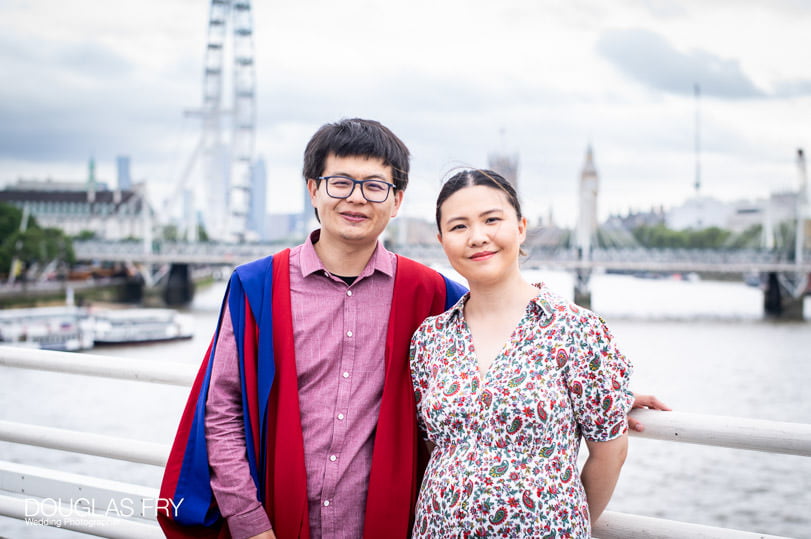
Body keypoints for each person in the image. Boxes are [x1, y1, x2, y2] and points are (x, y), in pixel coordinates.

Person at [159, 119, 666, 539]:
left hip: (386, 524)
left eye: (375, 186)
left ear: (396, 200)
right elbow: (221, 410)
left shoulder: (427, 295)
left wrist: (603, 392)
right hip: (280, 520)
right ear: (313, 188)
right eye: (340, 182)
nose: (357, 198)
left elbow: (511, 343)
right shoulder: (258, 287)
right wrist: (250, 526)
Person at [409, 169, 644, 538]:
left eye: (492, 220)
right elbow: (436, 447)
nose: (478, 237)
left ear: (520, 227)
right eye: (459, 227)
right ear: (441, 241)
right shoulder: (429, 339)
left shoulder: (577, 330)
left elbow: (610, 453)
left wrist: (563, 524)